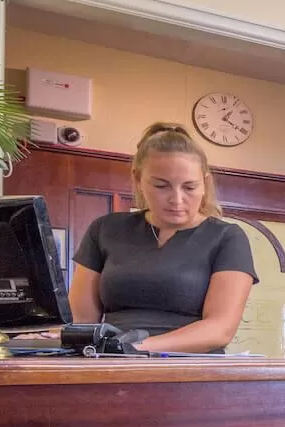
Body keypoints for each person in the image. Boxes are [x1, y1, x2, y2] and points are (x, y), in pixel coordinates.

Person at [69, 123, 257, 353]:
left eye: (189, 187)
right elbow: (82, 323)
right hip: (111, 362)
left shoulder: (227, 237)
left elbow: (220, 329)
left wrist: (133, 348)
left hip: (188, 366)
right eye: (161, 186)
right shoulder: (105, 229)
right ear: (138, 179)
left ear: (205, 183)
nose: (176, 199)